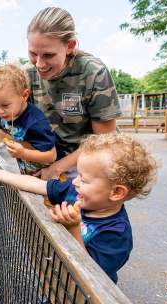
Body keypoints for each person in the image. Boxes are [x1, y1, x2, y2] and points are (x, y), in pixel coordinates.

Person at [0, 133, 157, 283]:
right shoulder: (74, 191)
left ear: (116, 192)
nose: (75, 181)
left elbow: (90, 274)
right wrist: (2, 175)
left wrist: (73, 228)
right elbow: (38, 185)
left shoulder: (116, 234)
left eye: (84, 179)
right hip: (56, 279)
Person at [25, 7, 121, 180]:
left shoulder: (93, 73)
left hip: (90, 160)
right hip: (49, 156)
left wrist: (57, 169)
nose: (39, 64)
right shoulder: (26, 74)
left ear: (70, 46)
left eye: (48, 55)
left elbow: (104, 139)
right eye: (33, 53)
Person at [0, 64, 56, 176]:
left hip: (47, 175)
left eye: (5, 105)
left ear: (24, 95)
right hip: (26, 172)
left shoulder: (36, 122)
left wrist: (23, 153)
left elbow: (51, 156)